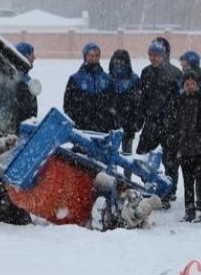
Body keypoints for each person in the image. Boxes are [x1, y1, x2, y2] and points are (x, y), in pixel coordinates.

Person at [136, 40, 180, 206]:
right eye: (151, 55)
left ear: (164, 56)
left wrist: (172, 118)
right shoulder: (145, 72)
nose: (154, 58)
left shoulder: (174, 73)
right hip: (151, 123)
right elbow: (142, 99)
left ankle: (169, 191)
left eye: (157, 55)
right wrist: (140, 118)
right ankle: (151, 185)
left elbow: (178, 99)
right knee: (143, 156)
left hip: (169, 124)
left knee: (170, 160)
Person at [167, 72, 201, 222]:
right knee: (187, 182)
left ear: (197, 85)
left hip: (200, 147)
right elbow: (173, 122)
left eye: (193, 84)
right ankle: (189, 210)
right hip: (184, 148)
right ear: (183, 86)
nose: (190, 87)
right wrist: (176, 137)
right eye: (187, 84)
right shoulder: (178, 101)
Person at [63, 42, 116, 132]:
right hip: (81, 128)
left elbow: (113, 103)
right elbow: (68, 104)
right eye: (90, 55)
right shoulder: (75, 79)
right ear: (85, 56)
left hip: (103, 128)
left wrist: (110, 121)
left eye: (96, 55)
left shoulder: (107, 79)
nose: (94, 58)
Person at [108, 49, 142, 178]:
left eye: (122, 61)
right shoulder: (108, 78)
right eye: (117, 60)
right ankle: (112, 179)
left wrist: (136, 122)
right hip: (112, 124)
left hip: (128, 124)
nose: (119, 64)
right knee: (112, 155)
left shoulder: (134, 80)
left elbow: (138, 104)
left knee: (127, 156)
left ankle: (128, 181)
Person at [14, 42, 38, 124]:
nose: (34, 58)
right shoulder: (18, 79)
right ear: (25, 56)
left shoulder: (26, 78)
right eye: (32, 55)